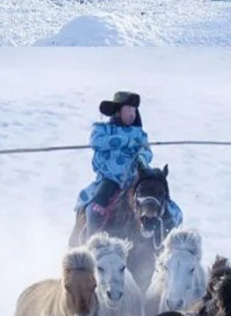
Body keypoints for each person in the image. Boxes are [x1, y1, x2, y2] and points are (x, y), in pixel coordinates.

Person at [74, 91, 182, 232]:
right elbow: (96, 142)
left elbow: (146, 150)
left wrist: (141, 157)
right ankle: (92, 238)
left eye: (134, 110)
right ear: (118, 111)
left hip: (136, 179)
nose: (132, 114)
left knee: (158, 196)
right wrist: (127, 141)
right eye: (128, 110)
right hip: (110, 180)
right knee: (96, 207)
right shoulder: (102, 129)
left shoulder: (139, 133)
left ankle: (169, 234)